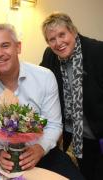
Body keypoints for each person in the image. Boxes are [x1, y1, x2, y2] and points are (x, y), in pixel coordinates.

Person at [0, 23, 84, 179]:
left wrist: (40, 148)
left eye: (5, 45)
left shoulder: (45, 77)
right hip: (4, 160)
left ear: (18, 47)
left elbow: (54, 124)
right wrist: (0, 152)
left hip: (44, 153)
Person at [40, 12, 103, 180]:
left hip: (97, 133)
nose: (58, 43)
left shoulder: (97, 51)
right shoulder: (50, 55)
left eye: (62, 35)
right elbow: (39, 81)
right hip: (70, 134)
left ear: (73, 32)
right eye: (52, 39)